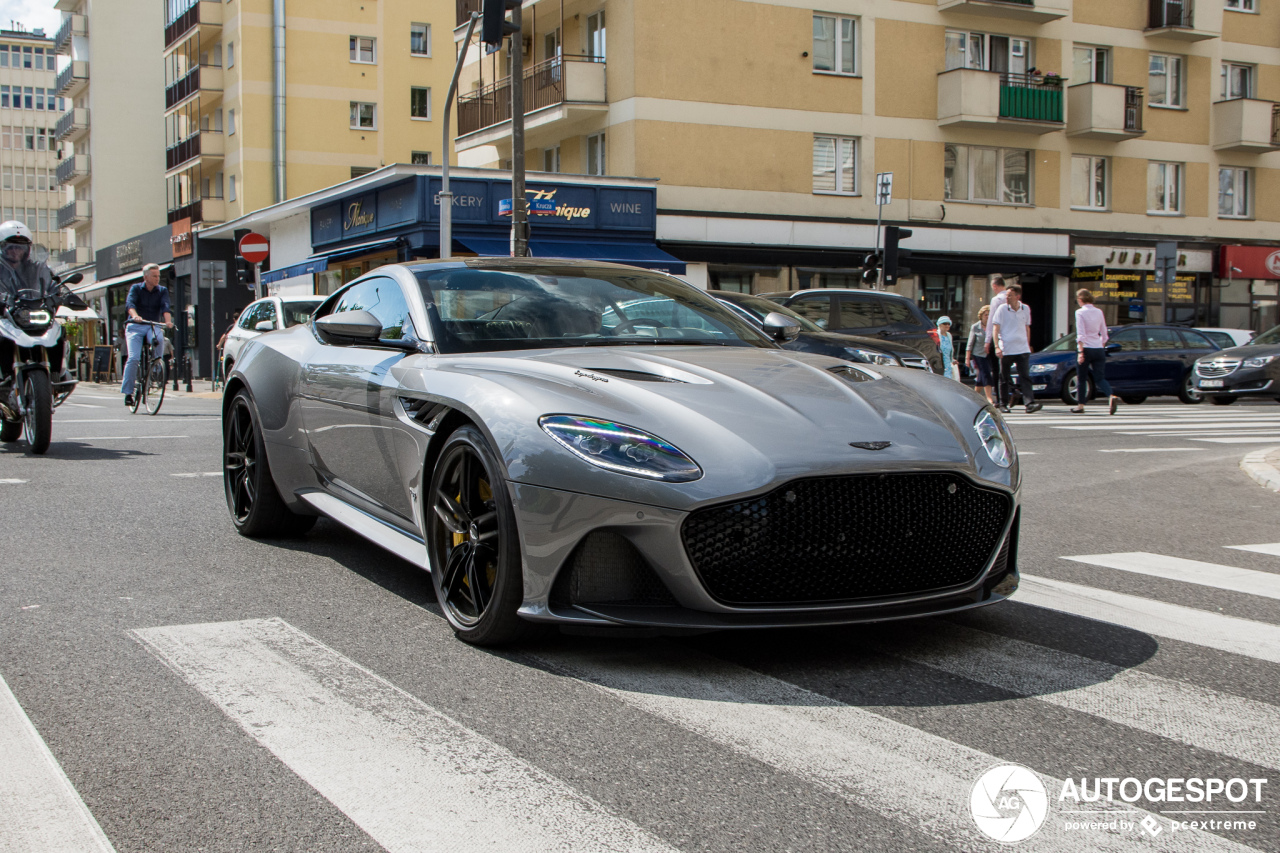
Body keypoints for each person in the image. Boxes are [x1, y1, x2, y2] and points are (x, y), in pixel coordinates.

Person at [121, 263, 173, 408]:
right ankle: (128, 393)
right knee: (133, 358)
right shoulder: (136, 288)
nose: (157, 279)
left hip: (152, 324)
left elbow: (165, 306)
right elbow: (130, 304)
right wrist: (135, 316)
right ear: (146, 277)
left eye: (158, 276)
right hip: (136, 326)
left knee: (159, 338)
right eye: (154, 276)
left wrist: (168, 322)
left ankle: (156, 368)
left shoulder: (162, 290)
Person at [990, 283, 1042, 414]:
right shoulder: (1002, 309)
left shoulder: (1025, 308)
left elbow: (1027, 327)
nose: (1007, 298)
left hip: (1022, 348)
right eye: (1007, 295)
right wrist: (996, 346)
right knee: (1004, 377)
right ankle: (1003, 403)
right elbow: (995, 328)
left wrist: (1028, 343)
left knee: (1025, 376)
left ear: (1018, 296)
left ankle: (1029, 403)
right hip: (1006, 347)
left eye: (1010, 295)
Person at [1072, 288, 1120, 415]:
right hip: (1098, 349)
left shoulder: (1080, 313)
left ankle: (1080, 405)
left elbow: (1081, 333)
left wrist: (1081, 352)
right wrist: (1100, 344)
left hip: (1086, 348)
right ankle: (1111, 396)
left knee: (1082, 378)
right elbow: (1104, 334)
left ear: (1080, 300)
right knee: (1100, 378)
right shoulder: (1099, 312)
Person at [983, 276, 1010, 405]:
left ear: (994, 286)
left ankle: (1000, 397)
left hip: (998, 338)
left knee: (996, 369)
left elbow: (992, 321)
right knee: (1008, 368)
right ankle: (1010, 393)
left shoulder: (997, 299)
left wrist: (988, 340)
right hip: (1010, 338)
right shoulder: (1011, 298)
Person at [968, 305, 995, 404]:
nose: (987, 316)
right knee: (986, 374)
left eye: (989, 315)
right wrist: (967, 358)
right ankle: (989, 398)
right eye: (986, 315)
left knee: (981, 377)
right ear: (981, 316)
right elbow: (970, 343)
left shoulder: (993, 326)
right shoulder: (975, 326)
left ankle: (974, 398)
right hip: (978, 354)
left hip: (989, 354)